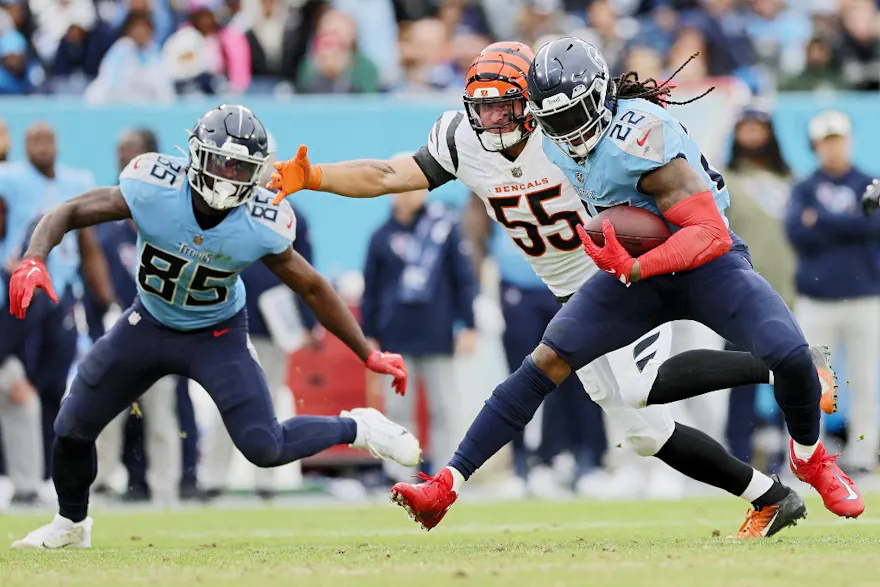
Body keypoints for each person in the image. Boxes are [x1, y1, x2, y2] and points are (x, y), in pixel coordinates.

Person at [267, 42, 839, 537]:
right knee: (643, 433)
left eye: (502, 106)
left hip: (619, 271)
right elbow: (390, 174)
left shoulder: (567, 134)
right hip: (566, 284)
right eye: (481, 107)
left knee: (637, 393)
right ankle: (771, 496)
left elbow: (654, 172)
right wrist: (314, 177)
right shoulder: (463, 139)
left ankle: (788, 366)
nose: (490, 119)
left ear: (533, 103)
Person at [7, 104, 421, 549]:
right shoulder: (154, 186)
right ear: (195, 155)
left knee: (265, 447)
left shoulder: (261, 220)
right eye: (221, 162)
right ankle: (71, 524)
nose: (227, 176)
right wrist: (34, 257)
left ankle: (357, 428)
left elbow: (314, 288)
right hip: (147, 321)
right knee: (71, 427)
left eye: (241, 167)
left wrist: (367, 353)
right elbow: (68, 211)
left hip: (216, 334)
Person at [0, 122, 117, 480]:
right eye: (33, 140)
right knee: (17, 381)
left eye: (47, 139)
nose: (41, 147)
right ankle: (16, 475)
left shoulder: (76, 182)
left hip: (62, 291)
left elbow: (87, 245)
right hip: (20, 289)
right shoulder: (11, 178)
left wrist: (107, 299)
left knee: (54, 384)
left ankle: (50, 476)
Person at [786, 110, 880, 477]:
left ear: (848, 140)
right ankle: (808, 453)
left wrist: (823, 221)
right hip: (817, 298)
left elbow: (875, 227)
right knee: (810, 380)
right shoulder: (803, 187)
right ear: (817, 146)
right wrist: (854, 224)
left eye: (837, 139)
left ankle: (864, 453)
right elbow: (797, 232)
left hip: (864, 296)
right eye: (826, 141)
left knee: (864, 378)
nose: (833, 148)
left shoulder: (869, 182)